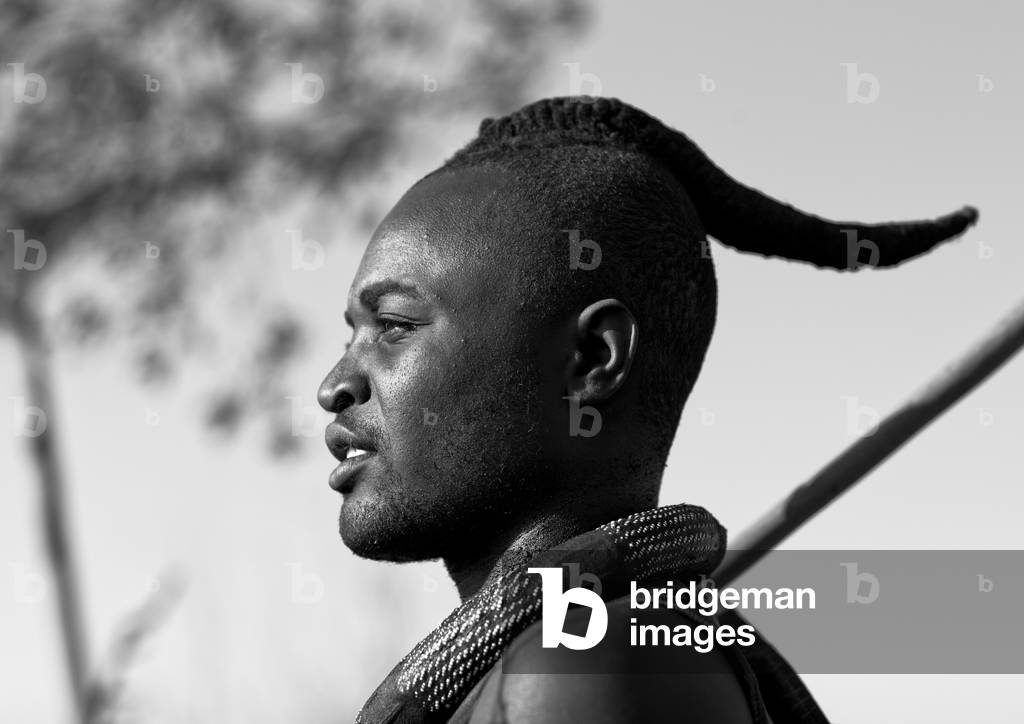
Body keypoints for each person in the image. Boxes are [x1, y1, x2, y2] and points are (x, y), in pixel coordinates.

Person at [317, 96, 977, 723]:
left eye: (395, 326)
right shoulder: (574, 663)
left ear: (591, 361)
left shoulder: (573, 674)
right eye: (350, 334)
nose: (335, 384)